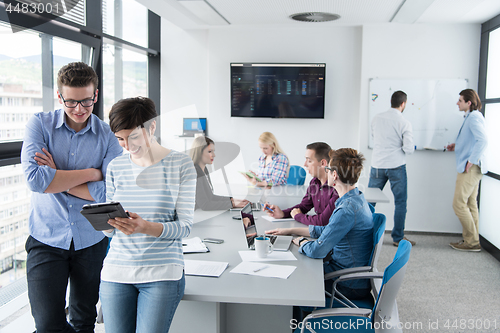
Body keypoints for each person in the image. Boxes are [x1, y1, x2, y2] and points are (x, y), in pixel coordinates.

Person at [20, 62, 123, 332]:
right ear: (60, 96)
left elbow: (110, 192)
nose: (79, 109)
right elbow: (36, 180)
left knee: (84, 320)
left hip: (91, 240)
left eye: (87, 101)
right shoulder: (39, 125)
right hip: (46, 237)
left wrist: (58, 176)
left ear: (96, 96)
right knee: (47, 324)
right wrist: (90, 173)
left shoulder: (108, 136)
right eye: (71, 102)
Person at [99, 97, 196, 333]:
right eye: (120, 139)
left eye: (133, 137)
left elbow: (184, 227)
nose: (127, 146)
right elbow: (111, 232)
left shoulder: (181, 165)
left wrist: (145, 227)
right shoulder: (115, 167)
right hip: (117, 271)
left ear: (152, 127)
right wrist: (107, 223)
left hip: (161, 272)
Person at [266, 148, 374, 300]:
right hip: (351, 275)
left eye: (328, 169)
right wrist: (291, 231)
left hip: (347, 283)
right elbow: (328, 230)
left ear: (334, 175)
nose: (327, 172)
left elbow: (317, 251)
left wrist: (302, 242)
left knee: (293, 276)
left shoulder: (346, 210)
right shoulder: (355, 198)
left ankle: (299, 320)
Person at [368, 90, 416, 247]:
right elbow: (408, 149)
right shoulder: (404, 122)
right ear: (403, 104)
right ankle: (397, 238)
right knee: (400, 202)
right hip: (396, 166)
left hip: (377, 165)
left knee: (369, 202)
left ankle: (363, 233)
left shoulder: (376, 118)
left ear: (391, 101)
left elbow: (375, 138)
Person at [446, 89, 487, 252]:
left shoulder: (474, 117)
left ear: (468, 102)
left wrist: (471, 160)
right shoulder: (472, 117)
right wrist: (457, 146)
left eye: (460, 100)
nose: (457, 103)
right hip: (474, 167)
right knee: (470, 203)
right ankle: (472, 239)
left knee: (458, 204)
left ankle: (471, 241)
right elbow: (472, 140)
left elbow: (482, 140)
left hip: (471, 168)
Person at [263, 142, 338, 226]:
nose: (305, 164)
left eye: (309, 160)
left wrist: (298, 216)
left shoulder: (336, 187)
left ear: (323, 163)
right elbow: (304, 206)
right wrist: (283, 213)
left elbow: (323, 221)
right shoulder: (314, 182)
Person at [189, 136, 249, 210]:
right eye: (210, 151)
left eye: (213, 151)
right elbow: (205, 205)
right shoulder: (194, 173)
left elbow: (210, 197)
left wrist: (232, 200)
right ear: (199, 152)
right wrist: (232, 204)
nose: (214, 155)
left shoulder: (204, 170)